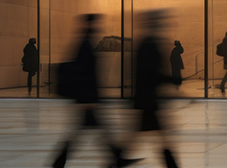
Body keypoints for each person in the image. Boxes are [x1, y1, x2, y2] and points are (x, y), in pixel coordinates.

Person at [52, 14, 140, 168]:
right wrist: (87, 100)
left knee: (96, 132)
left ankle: (116, 158)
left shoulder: (86, 43)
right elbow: (83, 75)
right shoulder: (85, 45)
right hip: (87, 100)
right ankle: (59, 162)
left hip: (88, 99)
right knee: (85, 133)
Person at [126, 10, 179, 168]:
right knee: (161, 135)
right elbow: (150, 74)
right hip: (148, 99)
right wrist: (171, 79)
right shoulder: (148, 44)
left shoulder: (147, 42)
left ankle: (117, 159)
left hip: (146, 99)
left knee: (144, 134)